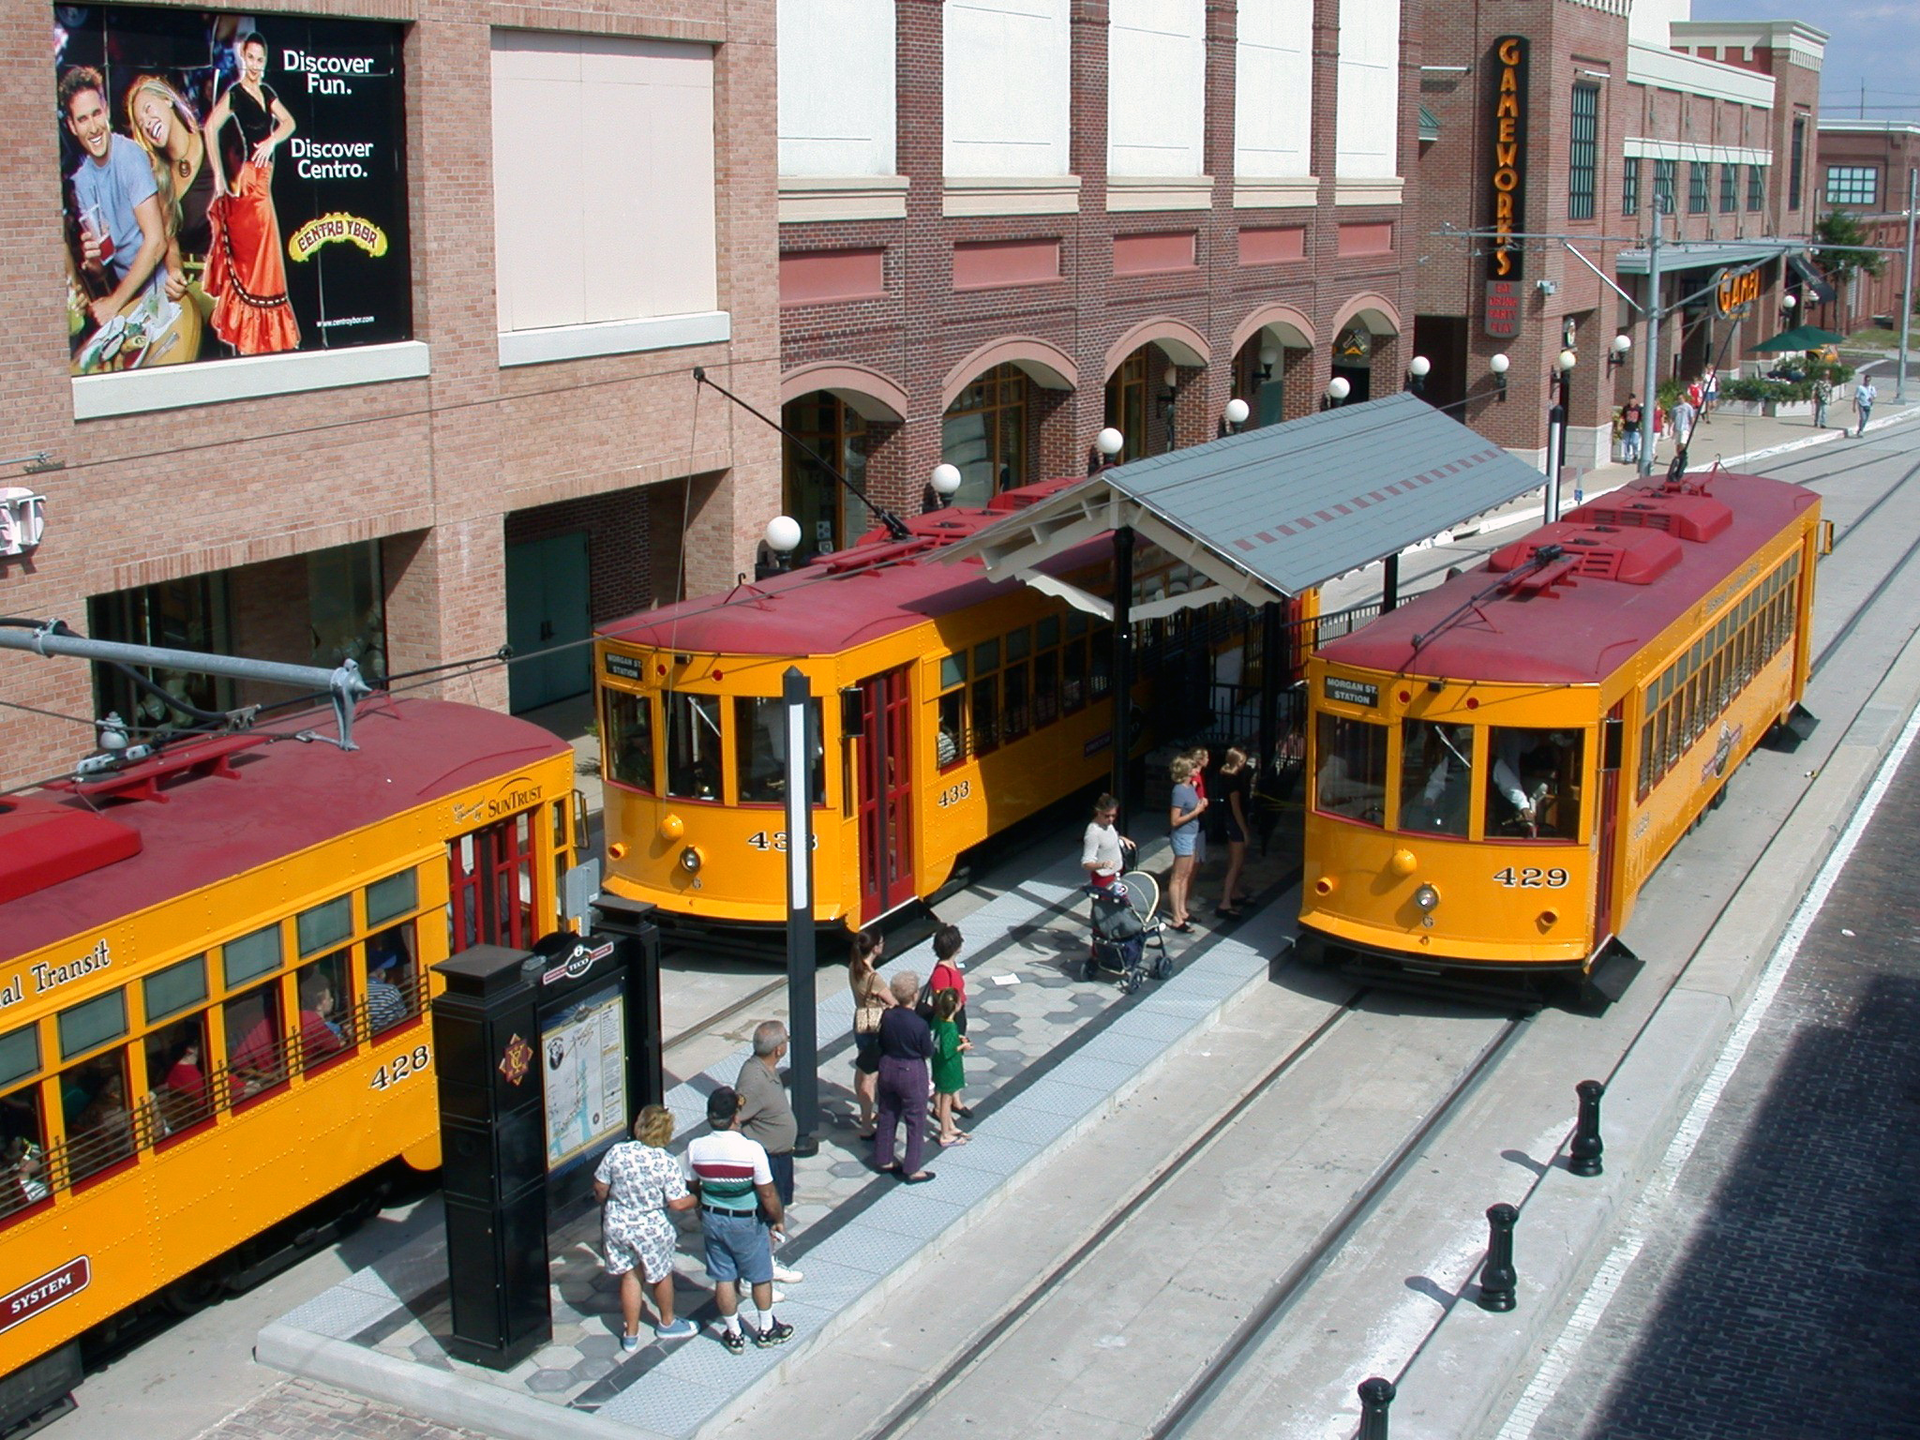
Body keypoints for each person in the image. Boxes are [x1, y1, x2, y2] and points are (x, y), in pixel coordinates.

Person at [203, 32, 301, 355]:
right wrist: (219, 174)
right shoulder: (235, 94)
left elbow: (289, 122)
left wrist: (272, 141)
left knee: (266, 255)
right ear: (243, 58)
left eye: (261, 59)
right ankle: (255, 333)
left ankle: (263, 336)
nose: (256, 65)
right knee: (261, 255)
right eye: (252, 58)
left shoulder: (267, 92)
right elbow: (210, 128)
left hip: (265, 176)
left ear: (265, 61)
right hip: (249, 180)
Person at [686, 1086, 792, 1352]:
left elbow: (693, 1186)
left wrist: (702, 1208)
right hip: (746, 1220)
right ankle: (766, 1329)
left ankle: (733, 1333)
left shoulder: (695, 1147)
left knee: (723, 1277)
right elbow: (767, 1192)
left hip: (712, 1218)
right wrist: (778, 1218)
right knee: (759, 1275)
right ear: (735, 1116)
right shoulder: (751, 1150)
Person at [60, 67, 168, 328]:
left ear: (106, 110)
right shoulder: (81, 181)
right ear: (72, 126)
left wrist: (113, 302)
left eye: (96, 114)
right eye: (83, 119)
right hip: (130, 302)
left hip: (162, 290)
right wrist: (93, 261)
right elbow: (101, 271)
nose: (94, 127)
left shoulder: (129, 156)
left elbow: (156, 242)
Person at [593, 1104, 698, 1349]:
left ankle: (630, 1333)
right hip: (651, 1228)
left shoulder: (618, 1152)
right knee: (660, 1275)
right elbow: (678, 1203)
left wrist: (608, 1201)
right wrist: (697, 1197)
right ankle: (667, 1323)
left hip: (618, 1223)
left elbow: (600, 1185)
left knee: (630, 1275)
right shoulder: (666, 1161)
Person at [125, 74, 213, 307]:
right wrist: (174, 270)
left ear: (167, 100)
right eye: (141, 123)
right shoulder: (159, 180)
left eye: (148, 109)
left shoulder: (214, 141)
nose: (147, 122)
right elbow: (170, 242)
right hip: (198, 288)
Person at [734, 1021, 804, 1287]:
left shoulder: (767, 1069)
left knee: (776, 1212)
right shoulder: (753, 1080)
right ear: (778, 1049)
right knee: (765, 1215)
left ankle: (769, 1263)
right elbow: (736, 1117)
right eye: (785, 1039)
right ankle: (752, 1277)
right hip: (767, 1160)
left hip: (780, 1156)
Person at [872, 970, 935, 1184]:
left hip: (888, 1065)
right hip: (911, 1070)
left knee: (887, 1113)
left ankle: (883, 1159)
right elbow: (927, 1050)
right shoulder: (919, 1024)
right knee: (915, 1120)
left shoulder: (887, 1016)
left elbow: (881, 1040)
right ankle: (912, 1168)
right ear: (915, 995)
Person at [925, 926, 972, 1119]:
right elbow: (942, 1002)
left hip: (957, 1016)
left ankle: (955, 1100)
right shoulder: (941, 973)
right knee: (947, 1061)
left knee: (956, 1059)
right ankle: (940, 1105)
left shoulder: (951, 965)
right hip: (948, 1020)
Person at [848, 929, 890, 1137]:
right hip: (875, 1024)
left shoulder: (854, 968)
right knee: (871, 1075)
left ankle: (866, 1114)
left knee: (862, 1065)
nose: (883, 945)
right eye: (881, 942)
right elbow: (895, 1002)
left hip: (860, 1018)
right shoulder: (874, 978)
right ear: (874, 948)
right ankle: (867, 1123)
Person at [1167, 756, 1205, 932]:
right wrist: (1196, 811)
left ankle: (1182, 911)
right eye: (1193, 768)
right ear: (1186, 771)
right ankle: (1176, 917)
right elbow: (1174, 821)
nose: (1197, 770)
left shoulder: (1190, 787)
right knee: (1178, 876)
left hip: (1192, 834)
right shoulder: (1179, 791)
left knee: (1187, 874)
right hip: (1182, 836)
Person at [929, 990, 972, 1147]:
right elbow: (948, 1050)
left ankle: (950, 1127)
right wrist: (963, 1046)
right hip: (949, 1068)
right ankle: (945, 1134)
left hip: (938, 1064)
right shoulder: (950, 1026)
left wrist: (957, 1039)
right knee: (946, 1101)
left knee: (941, 1096)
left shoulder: (938, 1020)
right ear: (956, 1006)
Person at [1213, 746, 1252, 918]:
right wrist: (1245, 831)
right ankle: (1225, 901)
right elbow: (1236, 808)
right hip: (1235, 823)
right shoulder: (1233, 781)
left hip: (1230, 822)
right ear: (1240, 762)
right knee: (1236, 864)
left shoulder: (1226, 776)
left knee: (1235, 861)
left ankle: (1235, 892)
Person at [1081, 793, 1131, 888]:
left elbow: (1108, 837)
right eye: (1107, 816)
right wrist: (1103, 865)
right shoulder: (1093, 833)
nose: (1111, 819)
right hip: (1104, 879)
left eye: (1114, 815)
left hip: (1117, 873)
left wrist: (1121, 838)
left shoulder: (1107, 824)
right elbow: (1086, 863)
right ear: (1098, 812)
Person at [1620, 395, 1644, 464]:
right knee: (1626, 443)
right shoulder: (1626, 408)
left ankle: (1635, 454)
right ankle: (1627, 458)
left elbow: (1642, 418)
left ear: (1635, 400)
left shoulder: (1639, 408)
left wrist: (1641, 427)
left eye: (1633, 400)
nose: (1631, 402)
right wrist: (1620, 425)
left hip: (1635, 429)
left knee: (1634, 442)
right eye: (1630, 400)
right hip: (1627, 428)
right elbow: (1622, 417)